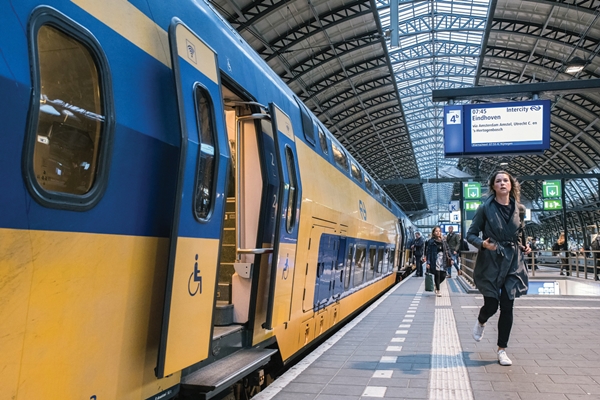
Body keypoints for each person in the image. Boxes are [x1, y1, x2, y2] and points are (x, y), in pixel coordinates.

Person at [466, 171, 530, 367]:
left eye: (506, 180)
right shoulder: (485, 208)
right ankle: (481, 319)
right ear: (493, 186)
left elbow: (521, 234)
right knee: (492, 305)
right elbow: (471, 234)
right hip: (491, 261)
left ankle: (502, 350)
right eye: (498, 181)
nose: (502, 183)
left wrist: (525, 246)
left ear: (511, 185)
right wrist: (483, 244)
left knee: (508, 305)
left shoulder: (519, 209)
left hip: (513, 262)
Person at [425, 225, 459, 297]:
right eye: (436, 231)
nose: (438, 232)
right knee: (437, 275)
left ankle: (436, 285)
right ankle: (438, 290)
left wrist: (451, 258)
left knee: (443, 275)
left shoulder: (443, 241)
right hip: (435, 260)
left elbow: (447, 250)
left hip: (443, 260)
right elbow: (428, 252)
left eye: (439, 231)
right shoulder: (431, 241)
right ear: (433, 233)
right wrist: (428, 262)